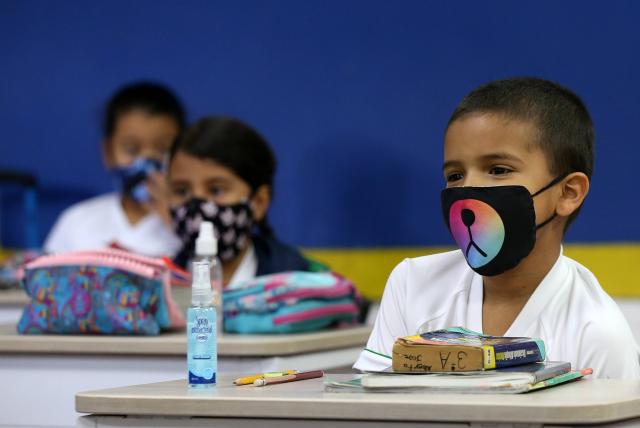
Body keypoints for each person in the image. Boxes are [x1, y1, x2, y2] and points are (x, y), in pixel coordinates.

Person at [354, 77, 640, 379]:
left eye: (498, 170)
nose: (468, 189)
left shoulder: (597, 332)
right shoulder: (413, 285)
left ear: (568, 192)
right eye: (454, 175)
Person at [168, 116, 323, 285]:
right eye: (182, 191)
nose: (197, 204)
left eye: (216, 190)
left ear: (258, 202)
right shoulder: (154, 290)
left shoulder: (307, 287)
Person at [44, 82, 184, 257]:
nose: (147, 160)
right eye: (132, 149)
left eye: (163, 149)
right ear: (108, 153)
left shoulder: (195, 226)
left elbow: (213, 275)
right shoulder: (76, 222)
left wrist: (177, 220)